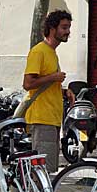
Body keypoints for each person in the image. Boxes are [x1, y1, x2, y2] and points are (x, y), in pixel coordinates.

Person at [23, 10, 75, 175]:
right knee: (40, 171)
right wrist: (53, 77)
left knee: (47, 170)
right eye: (64, 27)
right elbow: (28, 83)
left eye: (68, 27)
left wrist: (64, 91)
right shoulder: (39, 51)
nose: (68, 32)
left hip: (52, 119)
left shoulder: (52, 53)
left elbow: (46, 84)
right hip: (42, 118)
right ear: (52, 29)